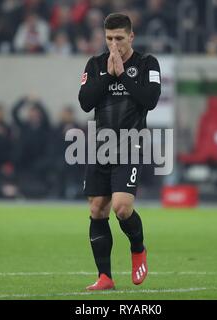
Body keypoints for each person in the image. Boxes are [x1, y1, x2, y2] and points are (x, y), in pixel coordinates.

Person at [78, 13, 161, 290]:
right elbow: (85, 103)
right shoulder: (96, 64)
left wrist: (123, 75)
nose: (114, 44)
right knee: (97, 209)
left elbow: (150, 100)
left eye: (120, 39)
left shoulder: (147, 63)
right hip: (100, 146)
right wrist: (108, 76)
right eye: (110, 38)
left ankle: (138, 248)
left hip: (131, 143)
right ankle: (105, 277)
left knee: (122, 207)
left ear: (131, 37)